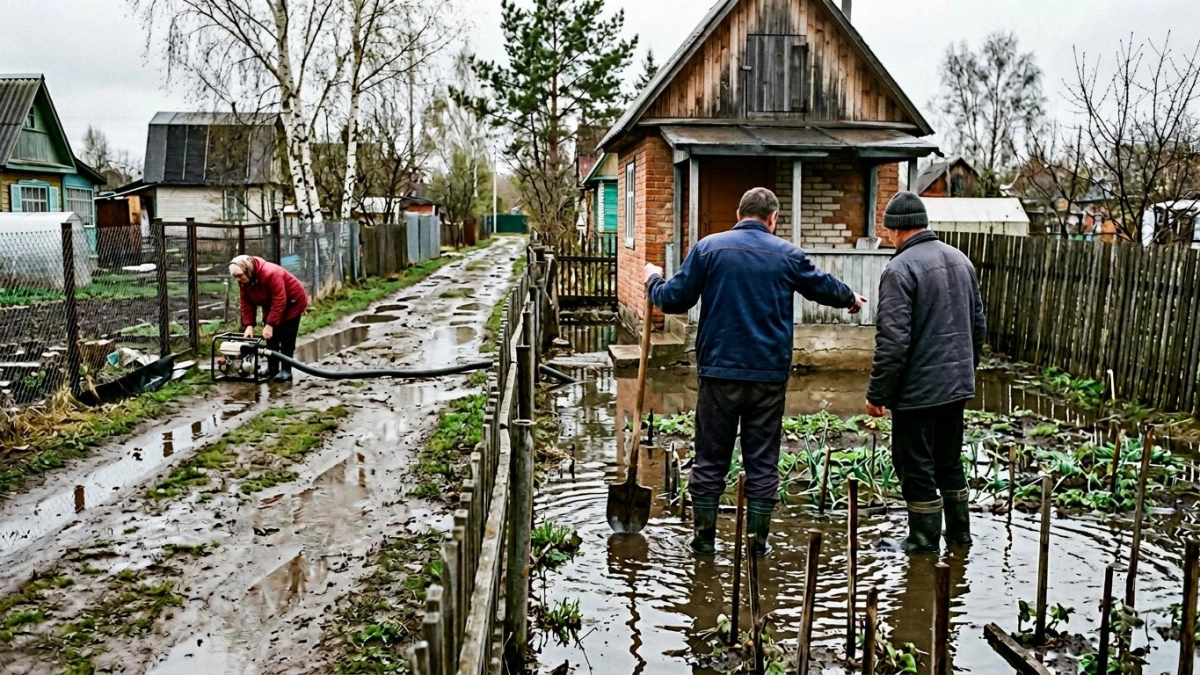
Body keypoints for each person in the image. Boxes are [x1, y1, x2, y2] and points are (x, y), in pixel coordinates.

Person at [644, 187, 866, 556]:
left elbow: (672, 299)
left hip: (719, 374)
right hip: (767, 377)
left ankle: (703, 543)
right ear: (773, 219)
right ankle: (757, 546)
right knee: (762, 460)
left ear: (737, 213)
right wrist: (850, 298)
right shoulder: (788, 255)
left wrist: (652, 278)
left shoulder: (709, 249)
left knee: (710, 458)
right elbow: (822, 286)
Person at [865, 191, 986, 553]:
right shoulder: (960, 261)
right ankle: (960, 536)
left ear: (894, 230)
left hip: (918, 392)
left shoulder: (899, 269)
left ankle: (922, 540)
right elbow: (978, 327)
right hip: (955, 387)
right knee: (948, 461)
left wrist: (877, 394)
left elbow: (893, 341)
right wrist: (964, 371)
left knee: (914, 464)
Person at [229, 254, 309, 383]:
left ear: (247, 269)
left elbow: (279, 300)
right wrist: (249, 325)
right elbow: (246, 302)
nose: (238, 279)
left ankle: (286, 371)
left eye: (239, 275)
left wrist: (270, 325)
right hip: (270, 303)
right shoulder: (244, 280)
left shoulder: (270, 273)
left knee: (286, 337)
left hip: (292, 302)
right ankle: (272, 369)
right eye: (235, 277)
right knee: (271, 339)